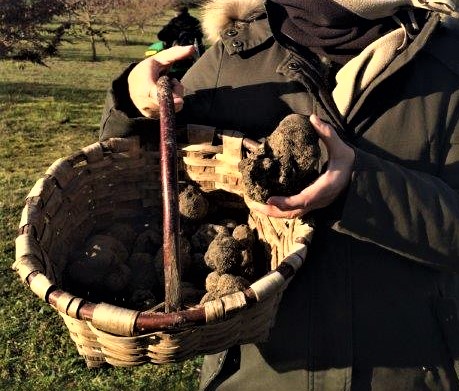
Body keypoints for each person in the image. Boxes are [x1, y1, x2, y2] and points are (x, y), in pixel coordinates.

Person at [99, 0, 459, 390]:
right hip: (259, 374)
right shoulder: (233, 56)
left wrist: (360, 187)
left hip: (408, 370)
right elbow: (133, 184)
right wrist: (136, 105)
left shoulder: (449, 58)